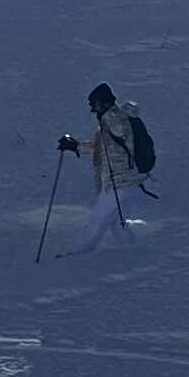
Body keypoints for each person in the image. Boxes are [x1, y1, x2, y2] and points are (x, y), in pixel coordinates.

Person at [58, 85, 143, 254]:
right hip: (119, 181)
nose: (92, 109)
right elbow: (98, 148)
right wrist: (75, 145)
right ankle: (132, 250)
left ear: (102, 102)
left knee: (98, 218)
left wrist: (105, 116)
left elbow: (120, 131)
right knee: (114, 221)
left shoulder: (116, 118)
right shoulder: (108, 121)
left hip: (121, 180)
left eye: (94, 105)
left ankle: (77, 253)